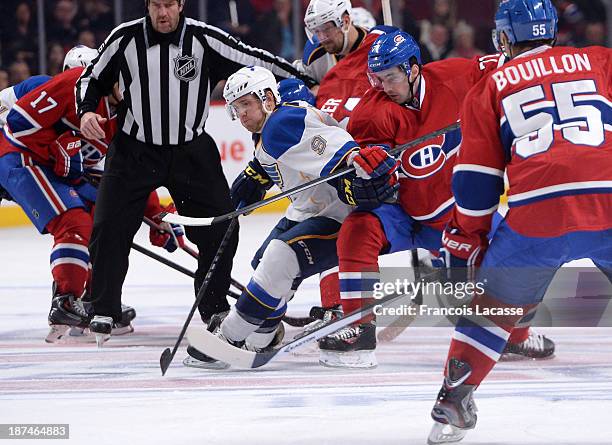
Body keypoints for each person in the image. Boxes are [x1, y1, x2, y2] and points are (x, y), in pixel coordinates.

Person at [427, 1, 611, 443]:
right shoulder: (600, 58)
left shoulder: (488, 88)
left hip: (538, 212)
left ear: (504, 37)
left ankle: (455, 395)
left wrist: (466, 237)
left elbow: (476, 181)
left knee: (493, 306)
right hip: (609, 195)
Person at [76, 0, 316, 340]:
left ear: (181, 4)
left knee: (222, 229)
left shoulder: (203, 39)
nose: (163, 13)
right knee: (108, 228)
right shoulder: (125, 38)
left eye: (169, 4)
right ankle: (104, 308)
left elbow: (255, 62)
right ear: (147, 5)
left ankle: (214, 308)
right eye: (156, 5)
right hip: (134, 151)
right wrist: (86, 110)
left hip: (190, 152)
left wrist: (305, 79)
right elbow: (91, 78)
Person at [319, 30, 555, 368]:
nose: (384, 86)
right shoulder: (373, 112)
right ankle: (359, 328)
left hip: (453, 212)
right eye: (377, 78)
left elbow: (511, 64)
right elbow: (369, 164)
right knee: (357, 231)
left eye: (390, 77)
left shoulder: (458, 76)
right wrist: (370, 170)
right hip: (400, 212)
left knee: (517, 253)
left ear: (413, 69)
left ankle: (513, 337)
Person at [184, 65, 398, 368]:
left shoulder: (281, 122)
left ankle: (230, 337)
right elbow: (276, 160)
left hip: (337, 215)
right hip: (309, 210)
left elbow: (336, 148)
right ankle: (262, 335)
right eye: (235, 108)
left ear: (268, 98)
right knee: (264, 263)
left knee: (279, 257)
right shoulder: (269, 130)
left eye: (246, 103)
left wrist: (354, 160)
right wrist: (250, 183)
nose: (241, 114)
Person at [0, 46, 183, 343]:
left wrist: (157, 215)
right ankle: (69, 300)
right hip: (25, 159)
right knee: (74, 223)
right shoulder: (52, 87)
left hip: (63, 169)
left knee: (100, 225)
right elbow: (17, 125)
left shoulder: (122, 117)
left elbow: (125, 175)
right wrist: (56, 146)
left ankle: (92, 300)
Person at [299, 0, 394, 128]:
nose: (321, 38)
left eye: (326, 29)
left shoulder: (380, 44)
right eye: (316, 31)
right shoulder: (314, 55)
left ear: (345, 22)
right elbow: (303, 78)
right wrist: (311, 86)